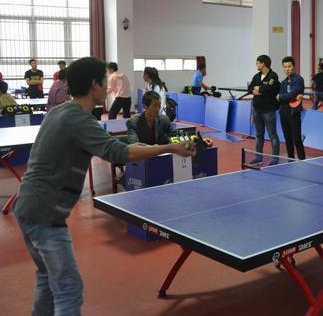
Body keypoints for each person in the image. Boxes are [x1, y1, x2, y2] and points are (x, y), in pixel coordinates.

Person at [13, 57, 196, 315]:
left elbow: (111, 146)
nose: (108, 87)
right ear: (94, 85)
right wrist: (171, 148)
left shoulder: (60, 112)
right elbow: (119, 153)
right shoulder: (80, 120)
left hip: (27, 207)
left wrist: (139, 146)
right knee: (68, 289)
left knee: (47, 277)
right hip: (46, 215)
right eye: (104, 81)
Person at [247, 55, 280, 164]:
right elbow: (250, 88)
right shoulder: (257, 76)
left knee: (272, 135)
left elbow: (268, 89)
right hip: (256, 110)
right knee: (259, 135)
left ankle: (275, 159)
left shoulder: (273, 76)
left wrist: (259, 89)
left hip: (269, 111)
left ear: (263, 64)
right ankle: (258, 157)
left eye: (257, 62)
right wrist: (258, 90)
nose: (256, 64)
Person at [277, 56, 305, 160]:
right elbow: (287, 97)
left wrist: (282, 97)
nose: (287, 69)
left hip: (294, 113)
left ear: (293, 66)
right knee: (287, 139)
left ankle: (302, 160)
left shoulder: (298, 80)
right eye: (285, 67)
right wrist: (289, 97)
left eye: (289, 66)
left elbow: (291, 94)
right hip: (283, 113)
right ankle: (290, 159)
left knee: (297, 139)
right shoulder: (283, 83)